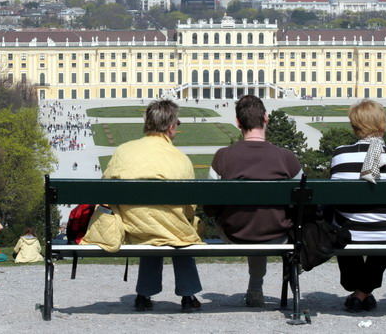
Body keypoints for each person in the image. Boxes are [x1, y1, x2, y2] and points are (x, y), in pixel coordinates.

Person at [102, 99, 203, 313]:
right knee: (175, 228)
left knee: (149, 223)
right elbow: (189, 206)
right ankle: (188, 294)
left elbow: (105, 187)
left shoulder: (123, 151)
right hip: (172, 230)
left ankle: (144, 294)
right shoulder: (180, 159)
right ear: (170, 127)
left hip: (134, 229)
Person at [207, 95, 302, 307]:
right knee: (264, 218)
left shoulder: (223, 156)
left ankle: (255, 287)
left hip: (235, 233)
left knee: (251, 218)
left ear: (238, 122)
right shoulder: (286, 157)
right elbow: (303, 199)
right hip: (277, 234)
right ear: (266, 118)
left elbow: (210, 204)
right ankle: (257, 287)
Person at [329, 100, 386, 313]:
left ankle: (358, 291)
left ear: (354, 126)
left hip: (349, 232)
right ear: (383, 125)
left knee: (346, 221)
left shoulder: (341, 155)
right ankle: (363, 292)